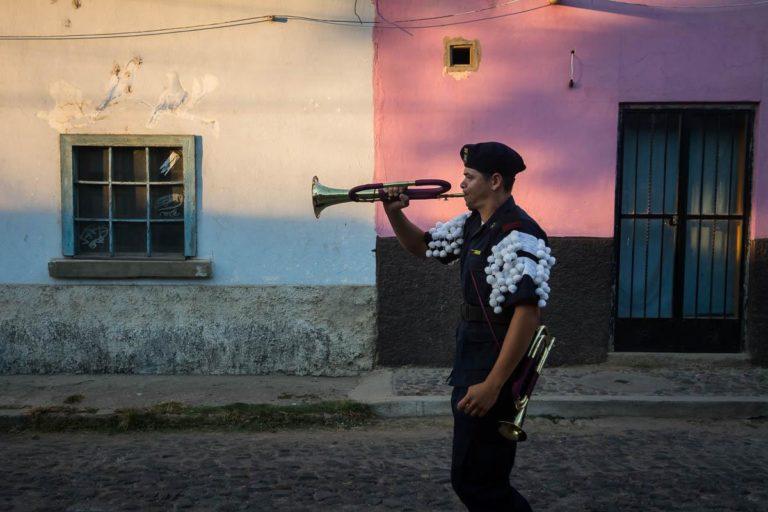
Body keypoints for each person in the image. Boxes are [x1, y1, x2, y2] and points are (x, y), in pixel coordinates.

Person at [382, 141, 554, 511]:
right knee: (474, 477)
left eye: (469, 177)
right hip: (471, 359)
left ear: (494, 181)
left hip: (494, 367)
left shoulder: (519, 232)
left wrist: (494, 384)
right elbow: (422, 246)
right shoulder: (473, 225)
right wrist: (394, 213)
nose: (461, 184)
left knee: (479, 481)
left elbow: (527, 315)